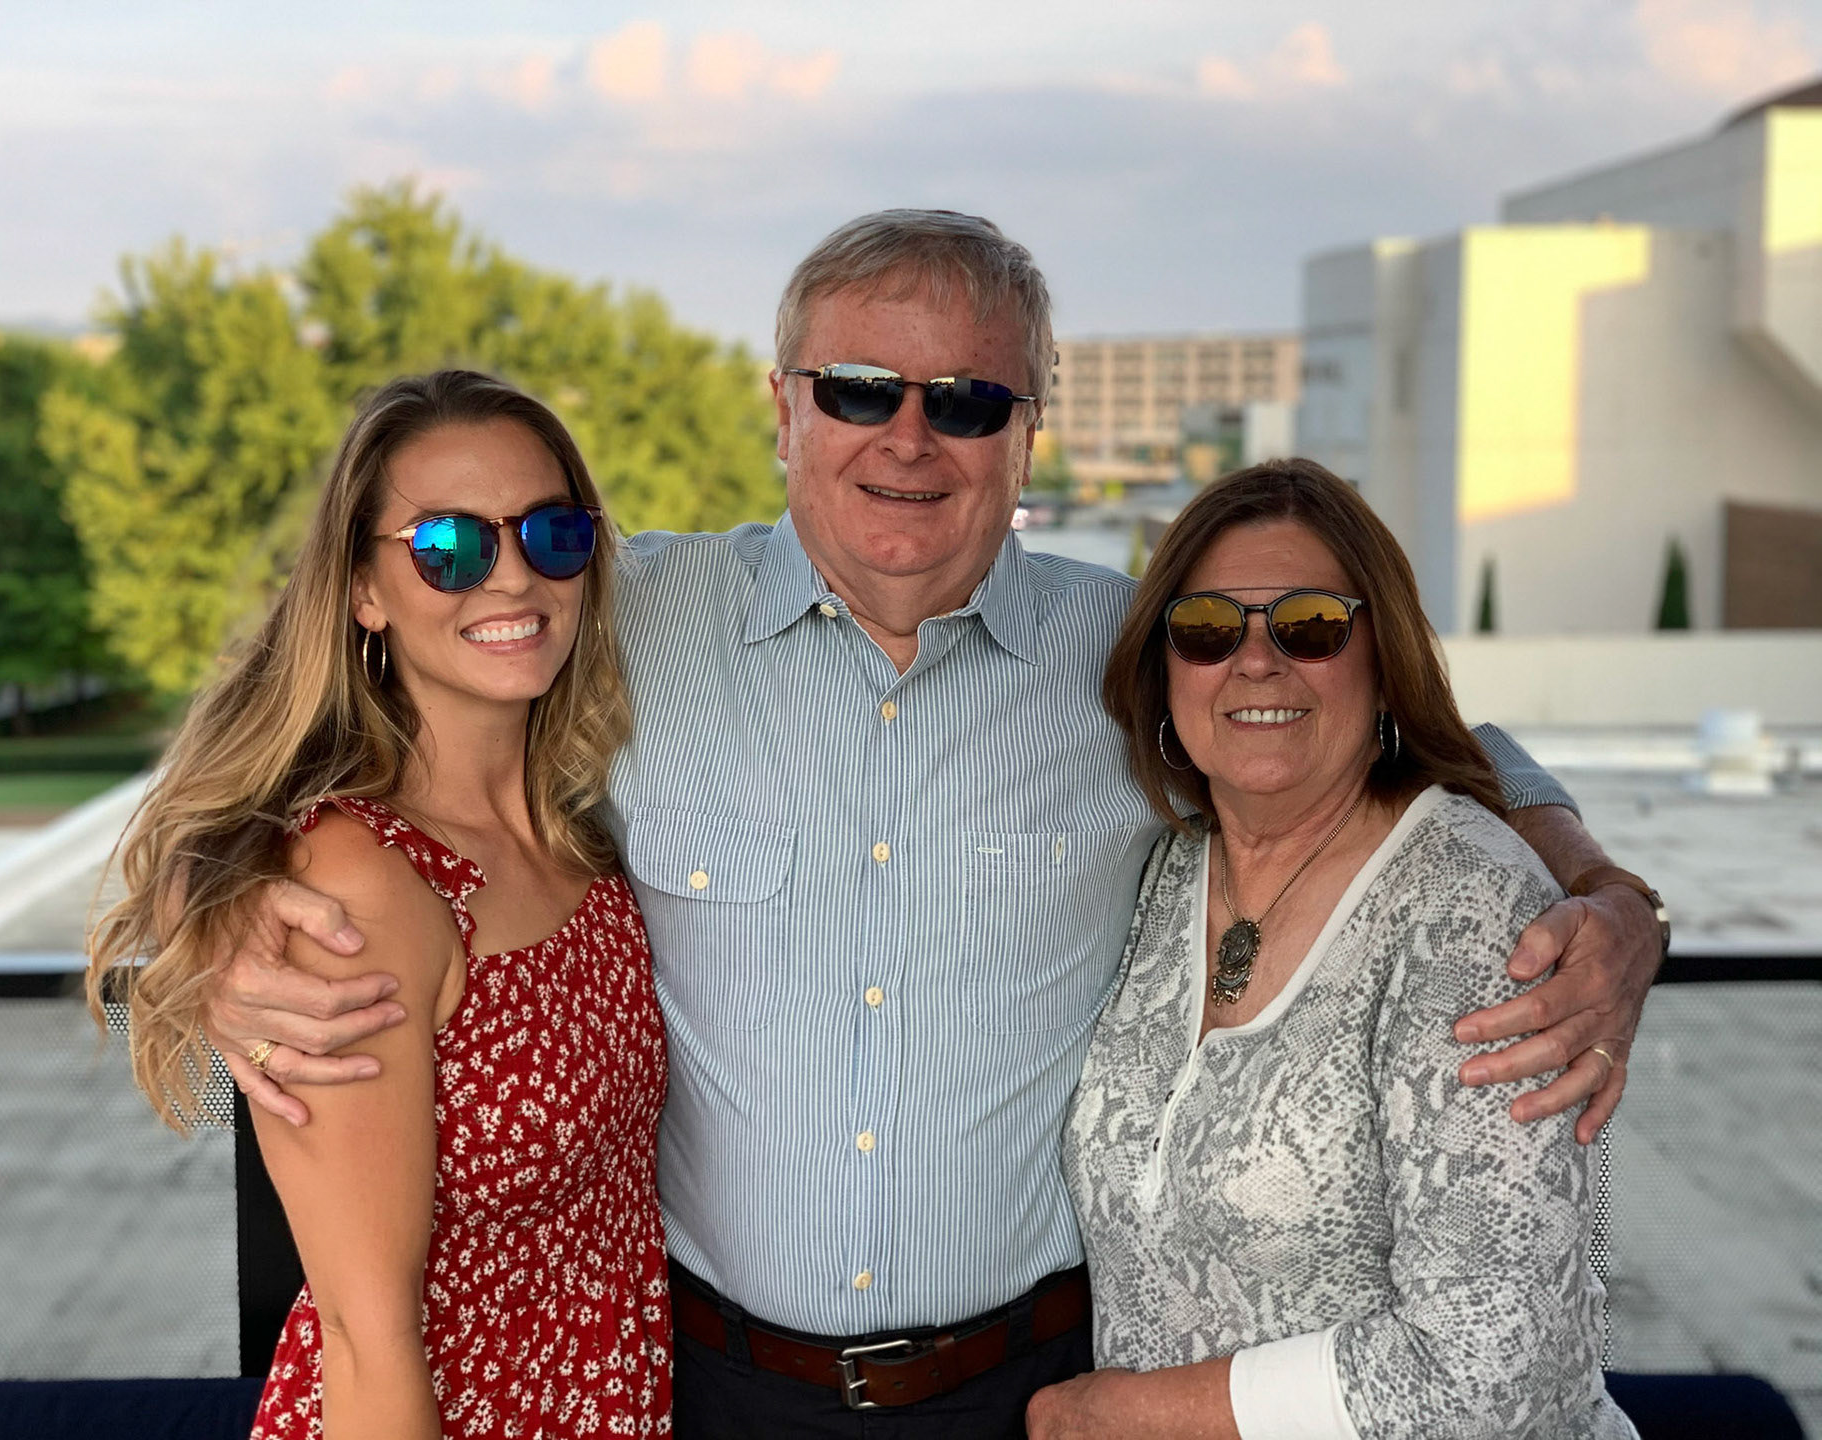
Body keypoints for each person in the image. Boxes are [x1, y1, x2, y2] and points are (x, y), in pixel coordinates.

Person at [202, 213, 1665, 1437]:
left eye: (966, 401)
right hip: (706, 1387)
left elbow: (1394, 727)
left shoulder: (1141, 654)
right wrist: (227, 914)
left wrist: (1608, 899)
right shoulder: (614, 617)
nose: (910, 438)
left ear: (1028, 432)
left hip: (1028, 1387)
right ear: (784, 408)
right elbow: (352, 722)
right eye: (858, 390)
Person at [87, 371, 671, 1438]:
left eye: (552, 533)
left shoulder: (578, 832)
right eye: (449, 546)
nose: (512, 576)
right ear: (365, 591)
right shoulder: (356, 892)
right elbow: (366, 1338)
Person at [1033, 459, 1636, 1439]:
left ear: (1383, 660)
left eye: (1310, 626)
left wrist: (1117, 1414)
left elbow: (1494, 1364)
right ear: (1165, 669)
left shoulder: (1473, 912)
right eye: (1207, 628)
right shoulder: (1167, 868)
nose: (1255, 661)